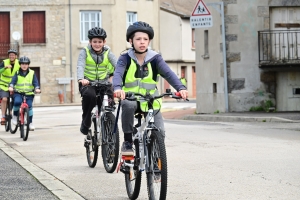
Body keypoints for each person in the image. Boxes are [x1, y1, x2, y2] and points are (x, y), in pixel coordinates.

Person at [113, 21, 188, 156]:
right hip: (131, 97)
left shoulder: (155, 58)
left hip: (151, 100)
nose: (142, 42)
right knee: (128, 105)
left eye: (145, 39)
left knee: (160, 131)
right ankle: (128, 142)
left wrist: (180, 88)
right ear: (131, 41)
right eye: (138, 39)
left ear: (149, 41)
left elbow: (169, 74)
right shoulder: (125, 58)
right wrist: (118, 88)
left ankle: (156, 165)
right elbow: (118, 73)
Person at [77, 27, 117, 135]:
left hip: (103, 83)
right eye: (94, 42)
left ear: (104, 42)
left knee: (109, 99)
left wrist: (123, 75)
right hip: (88, 83)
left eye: (100, 42)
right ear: (90, 42)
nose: (97, 44)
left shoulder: (108, 52)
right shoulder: (85, 52)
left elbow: (117, 65)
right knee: (89, 96)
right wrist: (81, 79)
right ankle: (86, 122)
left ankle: (108, 120)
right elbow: (80, 65)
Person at [8, 56, 41, 131]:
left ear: (28, 65)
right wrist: (11, 87)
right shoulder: (17, 72)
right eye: (22, 64)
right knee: (17, 102)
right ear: (20, 64)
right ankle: (15, 116)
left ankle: (30, 123)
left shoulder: (32, 73)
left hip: (29, 93)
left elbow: (35, 82)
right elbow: (13, 81)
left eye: (26, 64)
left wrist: (37, 88)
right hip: (18, 92)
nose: (24, 65)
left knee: (29, 107)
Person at [0, 49, 20, 125]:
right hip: (4, 85)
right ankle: (3, 116)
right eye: (10, 55)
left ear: (16, 56)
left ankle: (13, 113)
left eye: (13, 55)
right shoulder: (4, 62)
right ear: (8, 56)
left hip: (14, 86)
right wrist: (4, 68)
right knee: (4, 99)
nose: (11, 56)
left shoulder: (19, 63)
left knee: (17, 99)